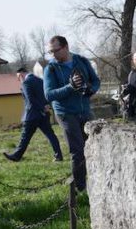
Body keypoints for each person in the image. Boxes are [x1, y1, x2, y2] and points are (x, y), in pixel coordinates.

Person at [43, 35, 101, 192]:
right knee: (77, 150)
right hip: (65, 113)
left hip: (84, 110)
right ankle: (80, 188)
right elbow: (49, 95)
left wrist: (91, 89)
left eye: (56, 50)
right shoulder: (51, 68)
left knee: (93, 147)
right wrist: (70, 87)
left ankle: (97, 183)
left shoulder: (82, 61)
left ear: (66, 47)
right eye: (51, 52)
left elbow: (96, 81)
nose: (53, 55)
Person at [3, 67, 63, 162]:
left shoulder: (26, 83)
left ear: (21, 74)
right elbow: (48, 95)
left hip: (32, 115)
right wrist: (47, 106)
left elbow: (30, 100)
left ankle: (16, 156)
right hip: (44, 114)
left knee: (25, 137)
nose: (18, 80)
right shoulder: (41, 81)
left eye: (18, 77)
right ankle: (58, 155)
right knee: (51, 135)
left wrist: (42, 108)